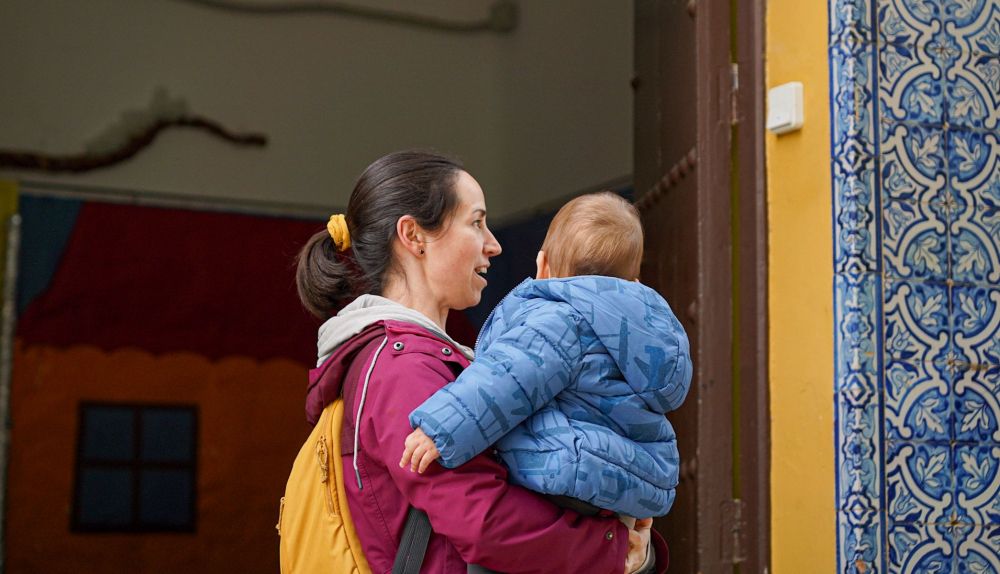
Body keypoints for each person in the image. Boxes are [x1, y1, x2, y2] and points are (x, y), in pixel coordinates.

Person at [296, 151, 666, 573]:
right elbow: (481, 518)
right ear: (414, 235)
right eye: (476, 222)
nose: (494, 244)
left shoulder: (429, 358)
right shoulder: (402, 368)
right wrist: (613, 550)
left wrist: (629, 547)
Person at [400, 192, 692, 532]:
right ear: (633, 283)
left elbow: (506, 378)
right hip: (623, 483)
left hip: (566, 467)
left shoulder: (561, 318)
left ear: (543, 266)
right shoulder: (649, 329)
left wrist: (442, 428)